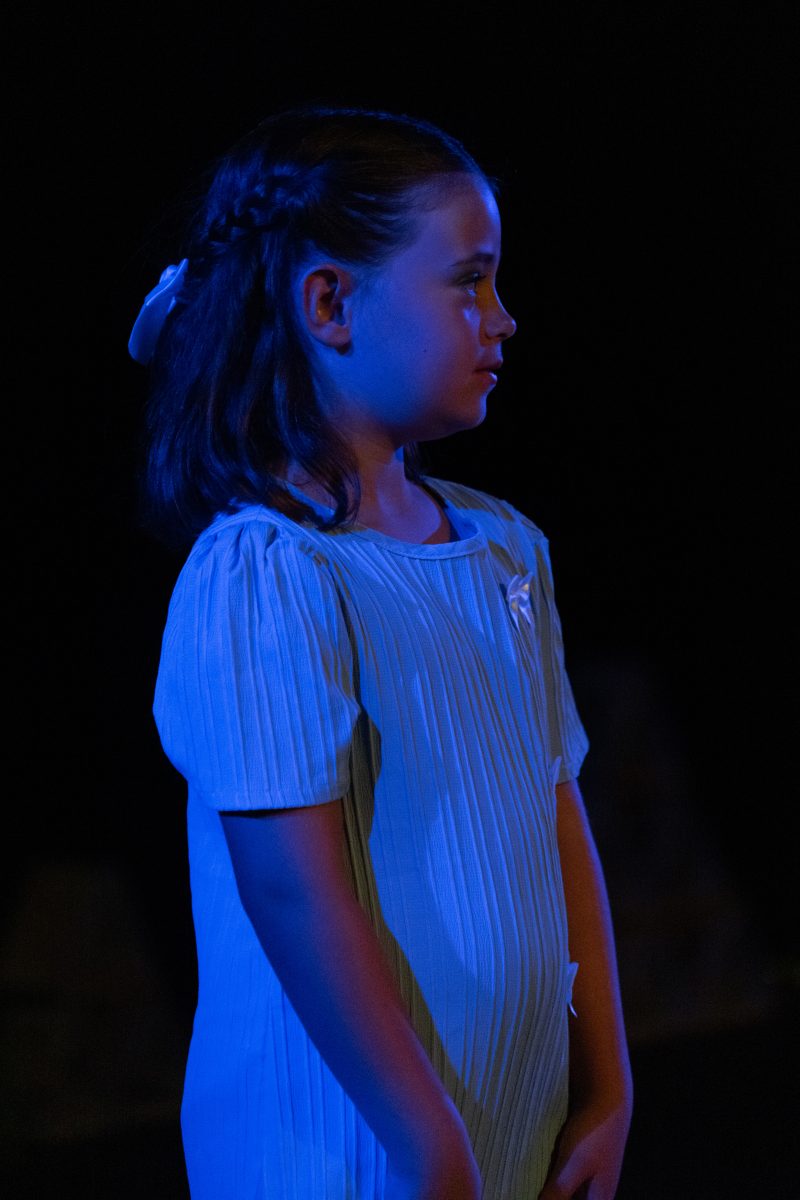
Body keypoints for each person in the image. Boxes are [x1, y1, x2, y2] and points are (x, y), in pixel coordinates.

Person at [132, 105, 633, 1200]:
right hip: (352, 1150)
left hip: (502, 1132)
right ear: (330, 305)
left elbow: (557, 816)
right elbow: (290, 887)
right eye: (469, 283)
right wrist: (423, 1138)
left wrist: (606, 1083)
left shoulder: (503, 549)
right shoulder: (267, 573)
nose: (503, 318)